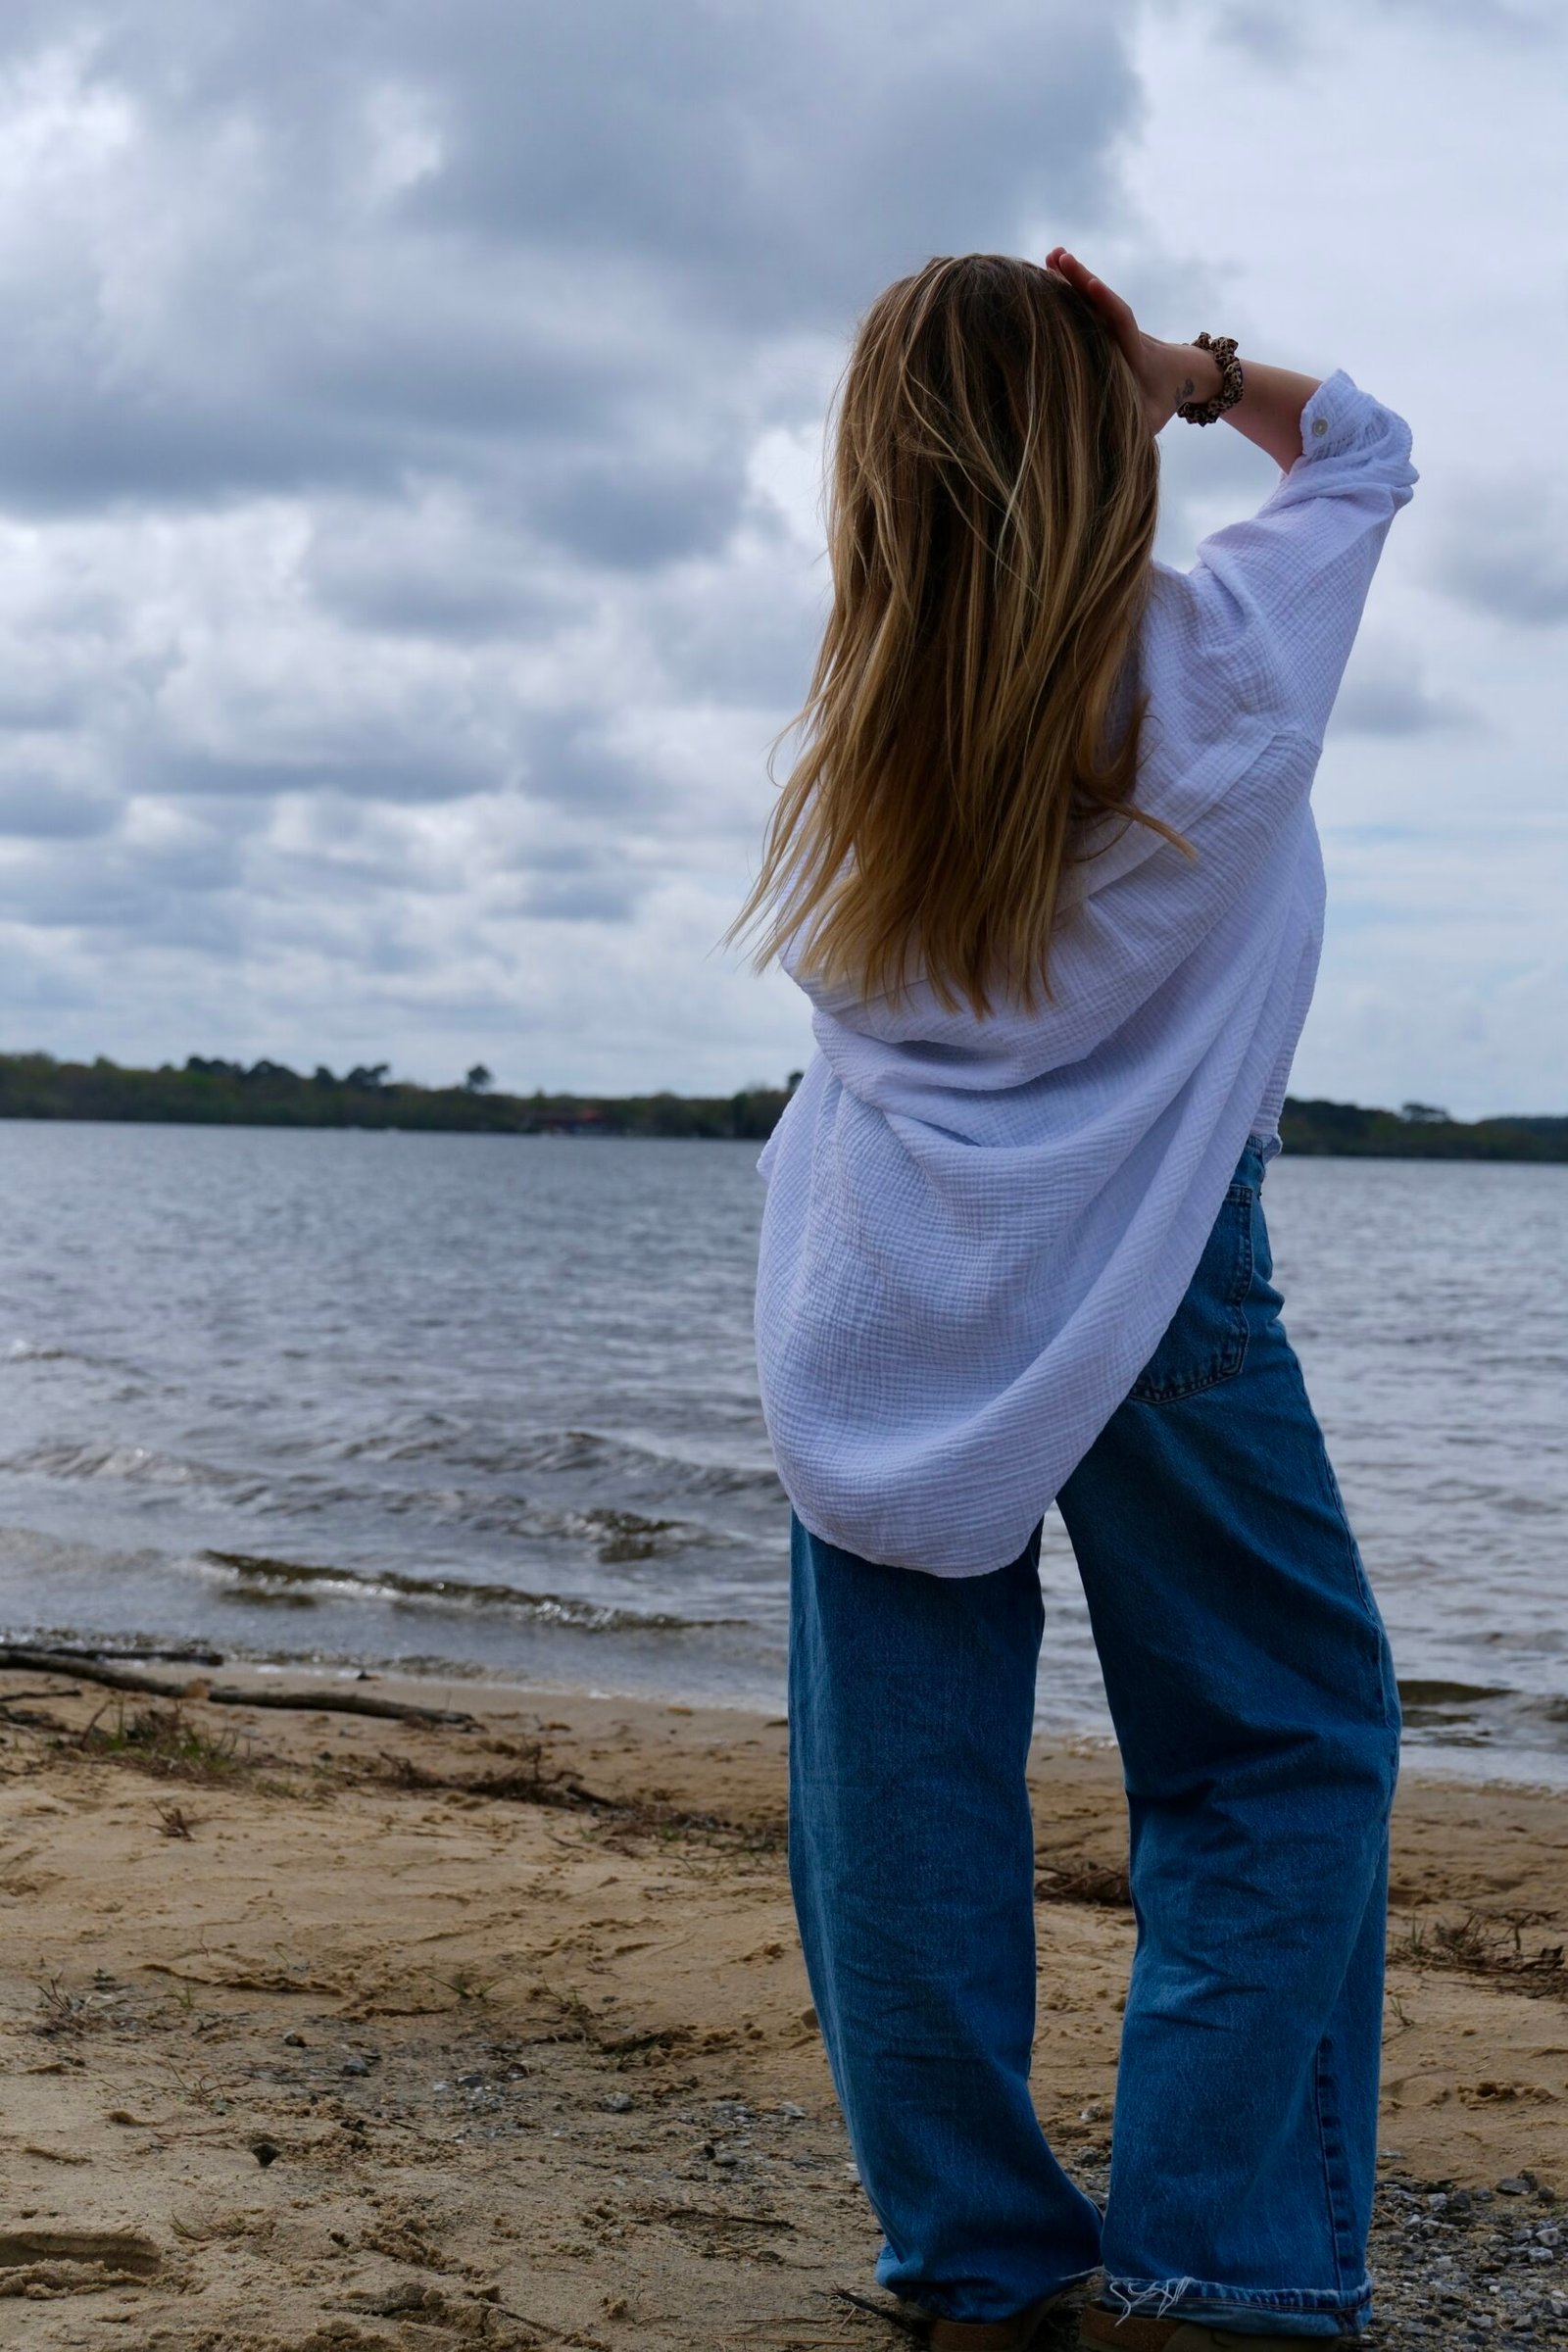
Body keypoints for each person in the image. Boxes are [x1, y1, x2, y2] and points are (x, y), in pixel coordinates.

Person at [732, 250, 1416, 2349]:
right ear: (1091, 439)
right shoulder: (1220, 664)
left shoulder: (865, 727)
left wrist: (1103, 387)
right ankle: (1217, 2265)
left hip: (877, 1267)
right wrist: (1188, 373)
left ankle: (981, 2266)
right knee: (1278, 1747)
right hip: (1152, 1265)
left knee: (897, 1790)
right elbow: (1362, 451)